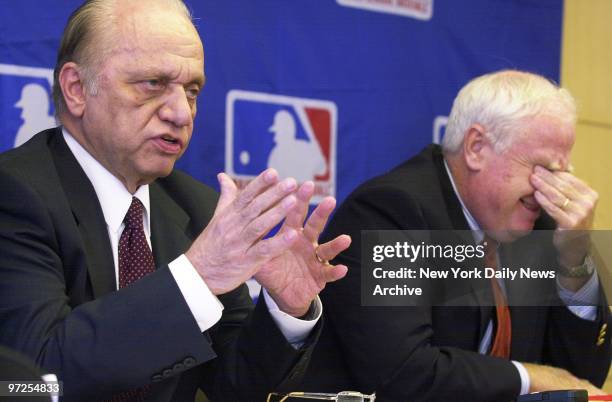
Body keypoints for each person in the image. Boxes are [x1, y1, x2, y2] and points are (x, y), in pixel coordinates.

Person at [0, 1, 351, 401]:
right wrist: (196, 276)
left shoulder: (196, 207)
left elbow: (233, 384)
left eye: (192, 90)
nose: (181, 113)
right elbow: (33, 382)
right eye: (152, 83)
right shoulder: (13, 193)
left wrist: (285, 311)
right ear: (77, 89)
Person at [303, 70, 611, 401]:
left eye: (563, 173)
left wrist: (574, 260)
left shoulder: (539, 225)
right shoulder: (391, 213)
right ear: (476, 147)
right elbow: (403, 374)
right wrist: (529, 377)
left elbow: (579, 381)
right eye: (544, 169)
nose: (553, 189)